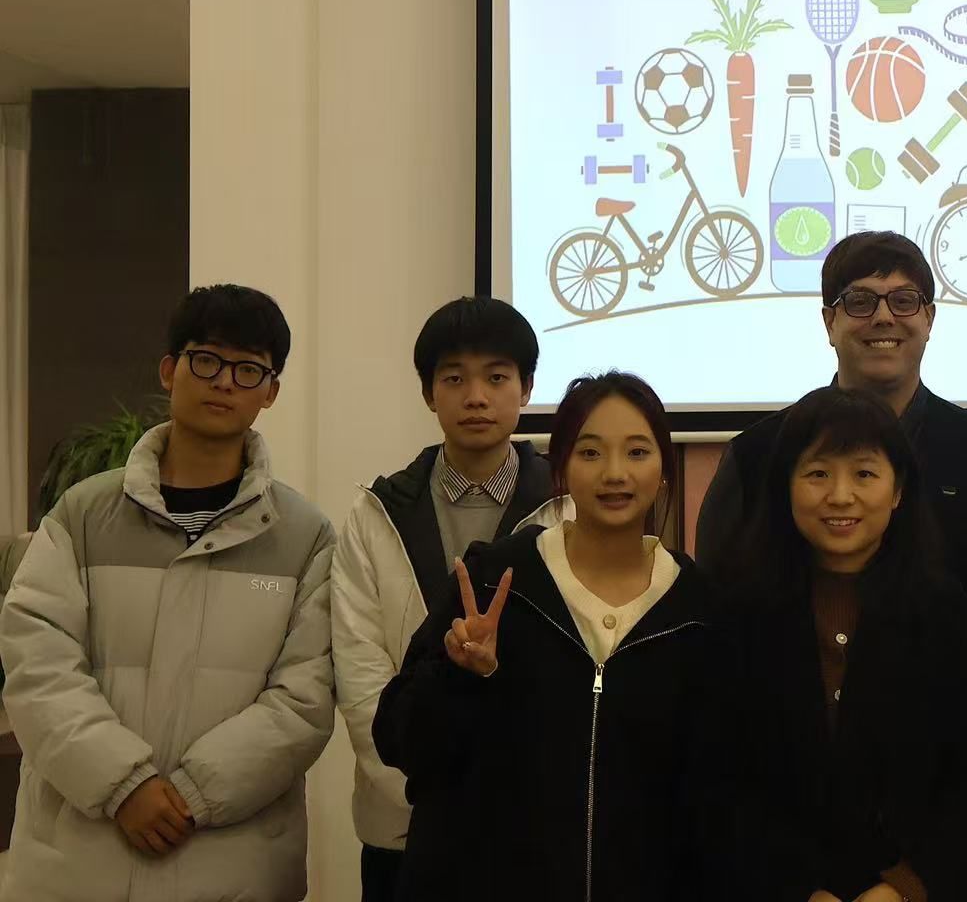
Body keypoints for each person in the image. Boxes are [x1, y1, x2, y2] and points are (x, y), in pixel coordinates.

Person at [0, 284, 335, 902]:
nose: (224, 381)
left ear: (270, 392)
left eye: (248, 369)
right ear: (169, 369)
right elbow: (37, 663)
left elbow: (305, 698)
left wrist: (194, 793)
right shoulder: (81, 514)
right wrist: (123, 785)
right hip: (78, 864)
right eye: (206, 360)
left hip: (231, 865)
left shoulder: (304, 536)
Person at [373, 371, 731, 900]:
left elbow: (718, 796)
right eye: (590, 453)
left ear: (663, 472)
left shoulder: (698, 611)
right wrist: (458, 676)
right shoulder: (497, 582)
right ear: (560, 468)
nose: (615, 473)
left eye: (637, 452)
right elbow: (400, 741)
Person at [696, 231, 967, 687]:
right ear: (829, 322)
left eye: (904, 301)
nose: (884, 317)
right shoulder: (758, 454)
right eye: (860, 301)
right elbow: (718, 594)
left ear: (929, 319)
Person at [714, 385, 967, 902]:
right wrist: (797, 888)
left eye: (864, 474)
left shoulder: (943, 610)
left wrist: (904, 887)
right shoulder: (741, 611)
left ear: (898, 490)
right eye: (817, 473)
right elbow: (720, 781)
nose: (840, 496)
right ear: (785, 486)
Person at [332, 296, 567, 901]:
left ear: (527, 388)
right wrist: (424, 790)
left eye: (497, 378)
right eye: (455, 379)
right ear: (428, 393)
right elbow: (360, 672)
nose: (476, 397)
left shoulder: (567, 510)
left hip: (531, 826)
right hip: (402, 829)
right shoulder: (376, 513)